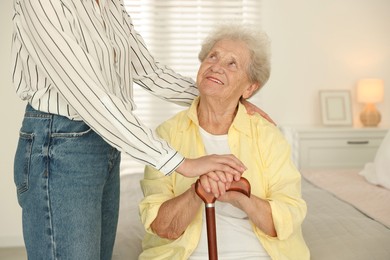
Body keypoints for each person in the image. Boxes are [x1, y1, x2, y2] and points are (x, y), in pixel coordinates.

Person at [10, 1, 272, 259]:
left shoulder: (110, 3)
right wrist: (181, 163)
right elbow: (90, 96)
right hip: (61, 143)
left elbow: (148, 71)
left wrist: (222, 95)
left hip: (105, 143)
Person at [139, 24, 310, 260]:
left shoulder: (267, 136)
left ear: (249, 88)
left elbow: (286, 218)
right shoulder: (168, 134)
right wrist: (198, 190)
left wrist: (239, 195)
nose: (216, 67)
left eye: (232, 64)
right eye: (213, 56)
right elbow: (162, 227)